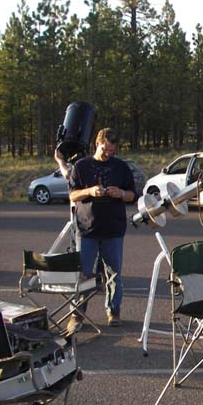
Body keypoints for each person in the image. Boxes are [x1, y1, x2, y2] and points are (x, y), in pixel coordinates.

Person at [68, 128, 136, 327]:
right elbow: (72, 195)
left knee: (114, 273)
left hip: (113, 229)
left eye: (112, 151)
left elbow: (132, 195)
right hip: (86, 229)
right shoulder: (81, 166)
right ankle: (77, 315)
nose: (109, 154)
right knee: (84, 273)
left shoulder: (121, 167)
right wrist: (90, 191)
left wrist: (121, 194)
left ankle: (114, 312)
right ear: (97, 144)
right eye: (106, 150)